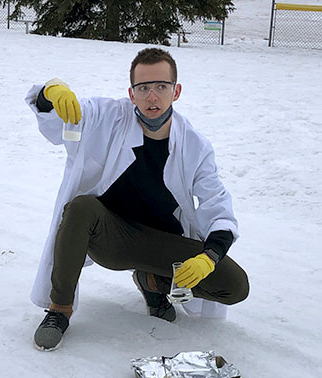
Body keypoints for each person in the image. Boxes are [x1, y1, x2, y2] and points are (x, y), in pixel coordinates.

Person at [25, 48, 249, 351]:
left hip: (164, 247)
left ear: (176, 91)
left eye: (161, 86)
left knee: (234, 285)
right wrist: (51, 90)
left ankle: (153, 282)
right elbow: (69, 115)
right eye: (143, 88)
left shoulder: (195, 146)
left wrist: (208, 257)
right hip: (112, 239)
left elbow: (217, 205)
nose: (152, 97)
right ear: (132, 94)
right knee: (80, 207)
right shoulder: (110, 117)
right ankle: (59, 310)